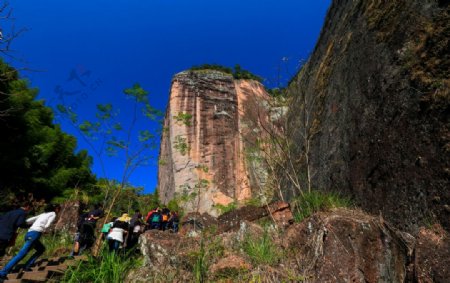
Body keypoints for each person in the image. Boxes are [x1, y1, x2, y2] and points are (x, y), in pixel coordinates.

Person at [0, 204, 60, 280]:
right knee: (21, 254)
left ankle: (27, 266)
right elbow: (47, 224)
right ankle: (3, 272)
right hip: (35, 234)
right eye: (59, 209)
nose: (59, 210)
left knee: (41, 249)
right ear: (56, 209)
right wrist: (44, 229)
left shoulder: (43, 214)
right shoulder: (53, 213)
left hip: (29, 233)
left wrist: (33, 225)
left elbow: (29, 220)